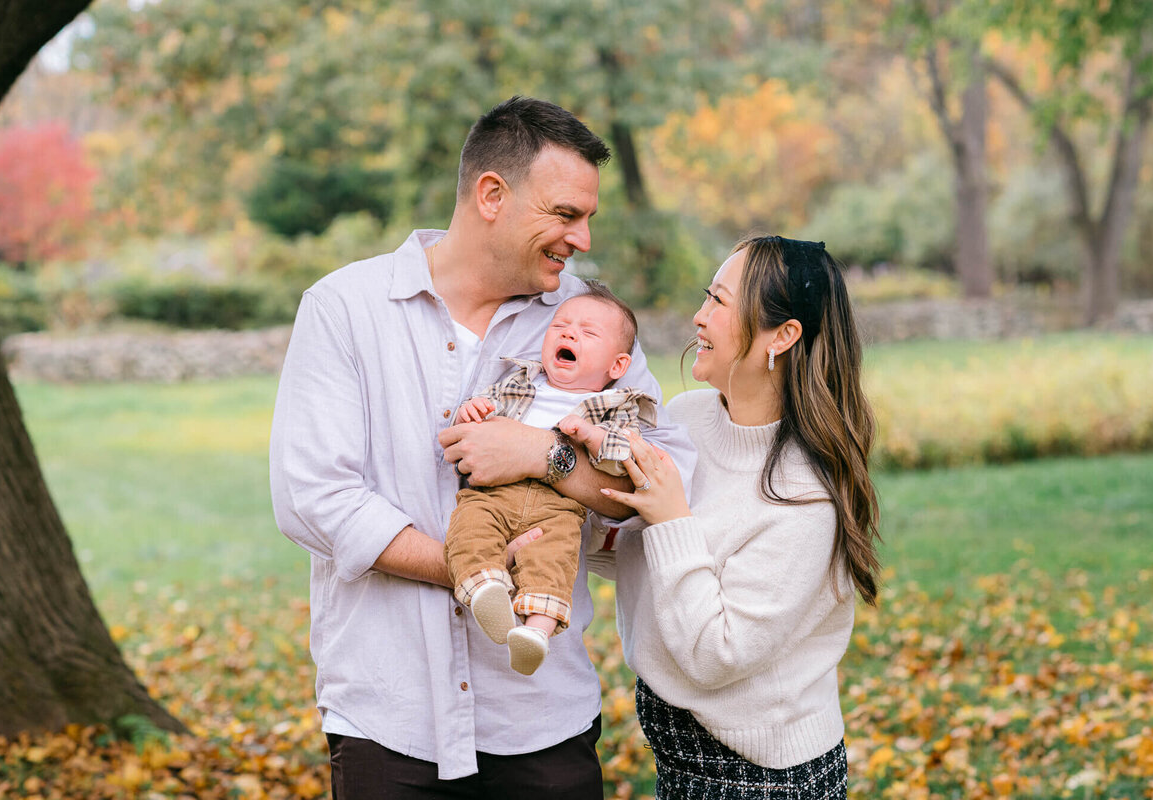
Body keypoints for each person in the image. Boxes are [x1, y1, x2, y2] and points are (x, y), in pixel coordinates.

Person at [269, 96, 695, 799]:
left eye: (588, 218)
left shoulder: (590, 323)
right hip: (389, 718)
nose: (582, 238)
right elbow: (312, 498)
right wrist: (477, 571)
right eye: (565, 215)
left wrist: (543, 456)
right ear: (491, 195)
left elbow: (663, 480)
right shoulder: (344, 307)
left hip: (541, 718)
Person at [594, 235, 881, 799]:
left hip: (762, 776)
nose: (698, 317)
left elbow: (713, 654)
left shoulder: (805, 499)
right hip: (678, 753)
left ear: (783, 335)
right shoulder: (688, 418)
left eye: (720, 302)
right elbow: (646, 562)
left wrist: (671, 518)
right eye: (707, 297)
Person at [446, 282, 655, 677]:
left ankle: (536, 634)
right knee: (469, 527)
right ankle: (486, 587)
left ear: (617, 366)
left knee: (554, 559)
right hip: (493, 493)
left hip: (559, 508)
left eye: (588, 333)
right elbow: (485, 422)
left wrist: (593, 437)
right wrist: (473, 411)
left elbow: (628, 458)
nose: (569, 334)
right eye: (560, 326)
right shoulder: (521, 381)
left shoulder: (615, 407)